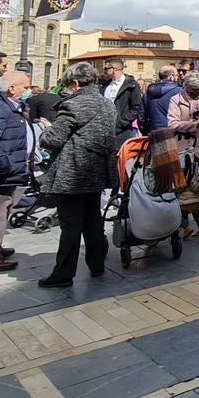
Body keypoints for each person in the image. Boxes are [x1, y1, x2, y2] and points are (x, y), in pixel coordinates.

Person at [37, 62, 117, 288]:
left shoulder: (73, 105)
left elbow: (53, 140)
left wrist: (46, 129)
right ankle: (97, 264)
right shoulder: (107, 104)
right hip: (96, 171)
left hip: (72, 172)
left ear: (74, 83)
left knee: (70, 225)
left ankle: (63, 274)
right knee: (93, 220)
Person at [0, 71, 32, 272]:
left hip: (12, 170)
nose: (28, 90)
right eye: (25, 86)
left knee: (4, 208)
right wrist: (5, 165)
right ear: (12, 88)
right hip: (4, 172)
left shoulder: (15, 109)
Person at [167, 72, 199, 236]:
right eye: (192, 92)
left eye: (197, 91)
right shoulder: (175, 100)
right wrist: (193, 125)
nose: (195, 95)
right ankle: (184, 218)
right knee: (184, 184)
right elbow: (172, 124)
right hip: (184, 146)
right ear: (185, 88)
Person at [101, 58, 143, 142]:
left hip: (122, 132)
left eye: (106, 68)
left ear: (115, 69)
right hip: (104, 131)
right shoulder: (104, 85)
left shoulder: (132, 86)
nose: (104, 71)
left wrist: (120, 124)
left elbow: (136, 108)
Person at [141, 66, 182, 135]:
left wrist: (146, 131)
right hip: (173, 132)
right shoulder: (179, 91)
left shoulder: (148, 92)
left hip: (153, 132)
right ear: (171, 77)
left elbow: (141, 117)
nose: (178, 77)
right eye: (176, 75)